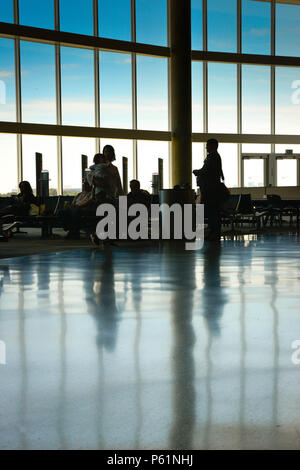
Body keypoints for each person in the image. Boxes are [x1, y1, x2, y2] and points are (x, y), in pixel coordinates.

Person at [193, 139, 225, 242]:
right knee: (213, 212)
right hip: (213, 189)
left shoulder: (212, 157)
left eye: (207, 145)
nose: (206, 147)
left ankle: (214, 233)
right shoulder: (216, 156)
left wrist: (197, 172)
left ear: (213, 146)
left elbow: (206, 170)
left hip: (211, 190)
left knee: (212, 212)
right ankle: (213, 232)